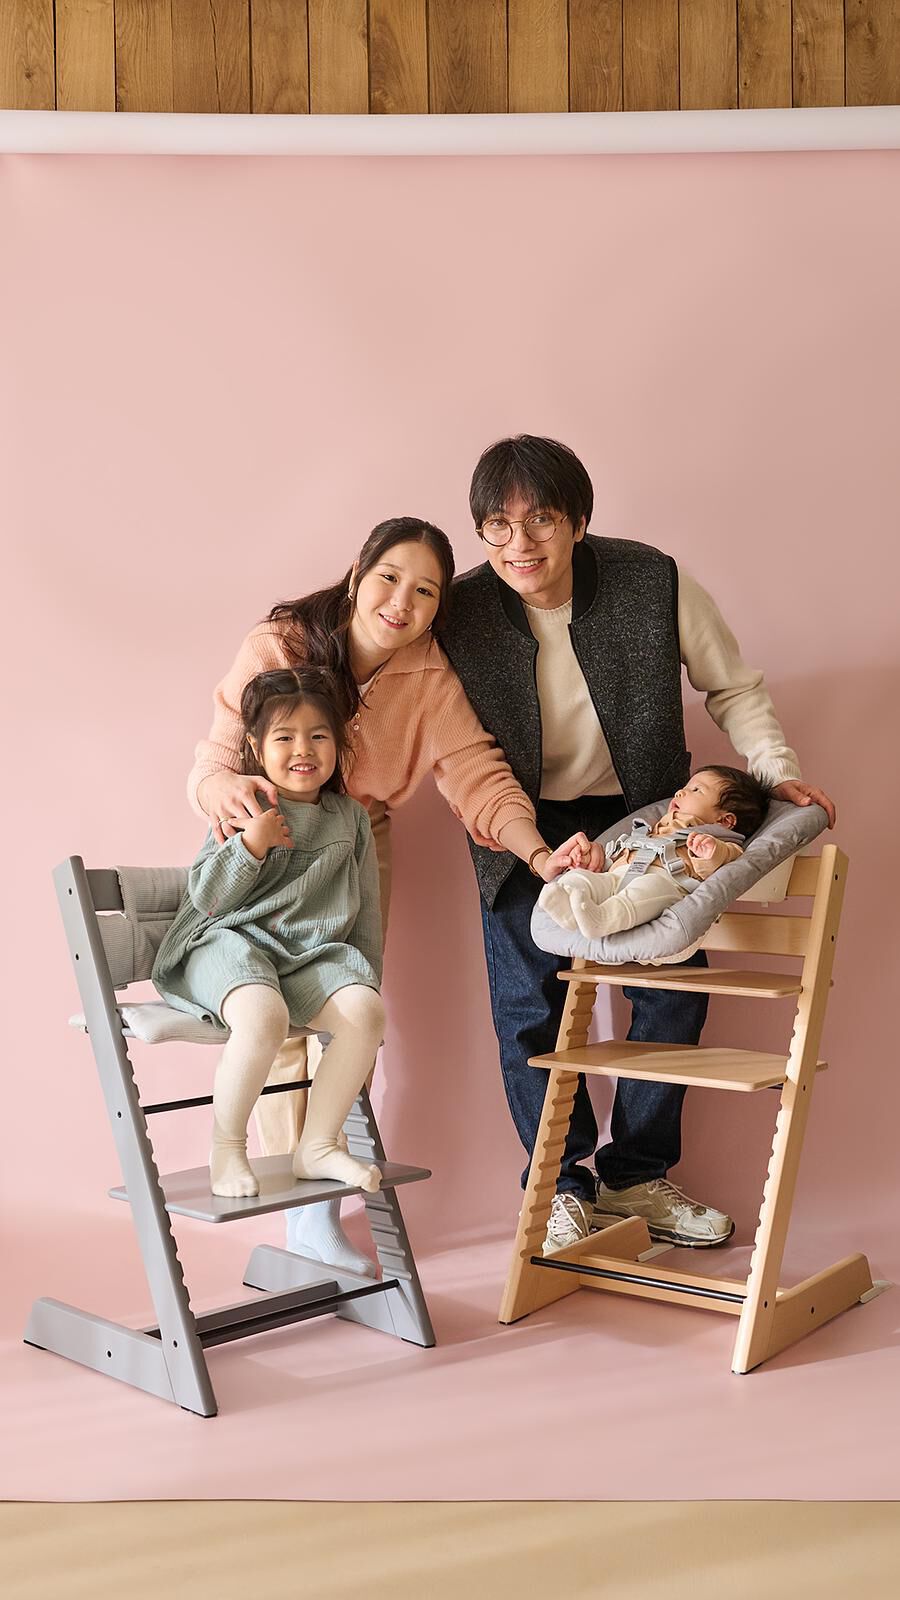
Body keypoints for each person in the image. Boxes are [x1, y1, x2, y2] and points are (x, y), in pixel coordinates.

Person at [438, 435, 835, 1252]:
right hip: (520, 822)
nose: (521, 544)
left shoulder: (654, 580)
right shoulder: (460, 609)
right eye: (497, 526)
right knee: (529, 1005)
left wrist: (775, 773)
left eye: (541, 520)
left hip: (653, 816)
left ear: (578, 520)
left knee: (670, 991)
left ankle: (637, 1174)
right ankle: (561, 1182)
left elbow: (733, 684)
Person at [188, 518, 593, 1263]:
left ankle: (322, 1183)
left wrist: (538, 855)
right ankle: (302, 1221)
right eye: (388, 578)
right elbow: (214, 757)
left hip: (354, 839)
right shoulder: (280, 646)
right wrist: (229, 795)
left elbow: (478, 772)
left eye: (425, 590)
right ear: (356, 572)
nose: (401, 601)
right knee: (274, 1015)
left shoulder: (429, 675)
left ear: (440, 607)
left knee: (349, 1006)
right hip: (267, 830)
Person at [154, 667, 385, 1201]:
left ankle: (319, 1145)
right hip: (225, 943)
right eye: (284, 737)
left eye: (319, 736)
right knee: (263, 1016)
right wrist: (249, 848)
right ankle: (227, 1146)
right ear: (257, 748)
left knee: (366, 1012)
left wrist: (362, 982)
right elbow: (206, 900)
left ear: (338, 745)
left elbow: (366, 913)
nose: (303, 750)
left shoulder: (349, 819)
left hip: (304, 958)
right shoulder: (246, 806)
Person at [539, 766, 770, 940]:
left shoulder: (720, 839)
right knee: (590, 880)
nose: (680, 792)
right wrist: (599, 859)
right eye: (686, 787)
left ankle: (603, 918)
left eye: (696, 790)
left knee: (646, 891)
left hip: (666, 883)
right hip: (619, 875)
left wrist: (711, 852)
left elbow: (727, 860)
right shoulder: (655, 826)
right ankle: (568, 899)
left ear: (725, 820)